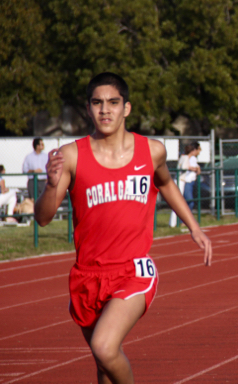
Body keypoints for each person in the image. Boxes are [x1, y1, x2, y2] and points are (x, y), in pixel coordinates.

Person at [34, 72, 212, 384]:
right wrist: (50, 187)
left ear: (126, 108)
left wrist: (194, 227)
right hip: (87, 275)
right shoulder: (72, 156)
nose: (105, 110)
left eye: (113, 103)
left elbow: (167, 184)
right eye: (97, 103)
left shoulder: (152, 150)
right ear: (89, 109)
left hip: (134, 270)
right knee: (104, 366)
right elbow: (43, 218)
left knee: (104, 348)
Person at [182, 142, 202, 210]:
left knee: (189, 202)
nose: (200, 151)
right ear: (194, 150)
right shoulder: (191, 158)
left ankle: (185, 219)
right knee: (189, 202)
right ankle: (184, 219)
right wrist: (197, 168)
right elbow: (194, 168)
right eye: (198, 149)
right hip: (188, 182)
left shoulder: (191, 158)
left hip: (190, 182)